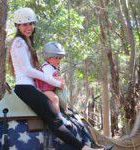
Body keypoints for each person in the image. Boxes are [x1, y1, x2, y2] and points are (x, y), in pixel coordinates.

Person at [9, 7, 111, 150]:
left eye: (31, 23)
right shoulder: (19, 43)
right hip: (25, 88)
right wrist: (54, 82)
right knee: (55, 120)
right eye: (24, 24)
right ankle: (84, 148)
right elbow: (27, 70)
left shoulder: (24, 42)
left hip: (28, 87)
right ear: (17, 25)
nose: (29, 27)